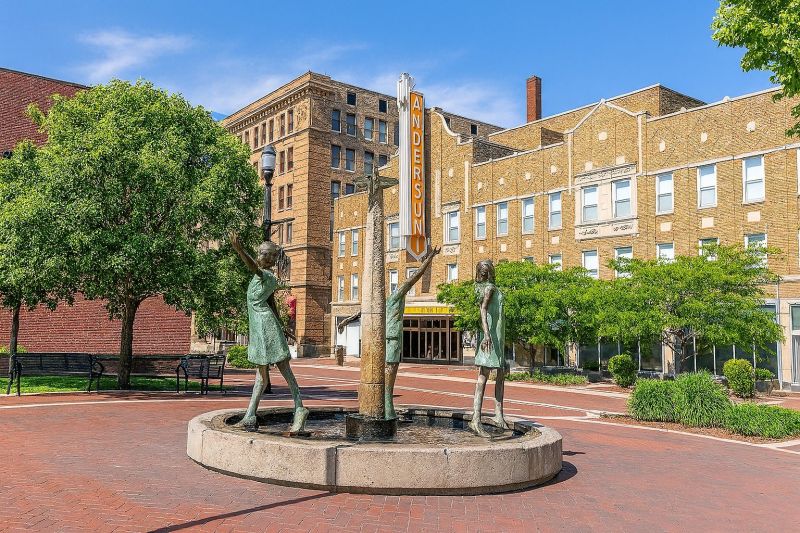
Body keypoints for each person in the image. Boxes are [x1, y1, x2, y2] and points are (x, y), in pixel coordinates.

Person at [338, 246, 441, 419]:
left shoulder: (381, 303)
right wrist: (429, 258)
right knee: (389, 372)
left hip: (382, 338)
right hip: (391, 338)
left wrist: (345, 322)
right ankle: (387, 407)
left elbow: (359, 313)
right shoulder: (394, 297)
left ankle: (382, 405)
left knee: (383, 373)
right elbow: (414, 278)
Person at [231, 234, 308, 433]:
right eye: (259, 253)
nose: (260, 256)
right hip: (260, 326)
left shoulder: (265, 275)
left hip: (265, 326)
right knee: (261, 376)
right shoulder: (265, 278)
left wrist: (240, 250)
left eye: (265, 254)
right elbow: (271, 301)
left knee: (283, 368)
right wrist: (281, 324)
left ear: (273, 259)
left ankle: (300, 408)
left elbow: (253, 267)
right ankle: (250, 415)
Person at [469, 259, 509, 437]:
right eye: (483, 272)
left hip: (497, 334)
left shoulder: (487, 287)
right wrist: (486, 334)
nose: (485, 274)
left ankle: (498, 414)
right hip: (491, 335)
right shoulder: (489, 288)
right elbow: (483, 310)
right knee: (484, 374)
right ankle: (475, 419)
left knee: (500, 373)